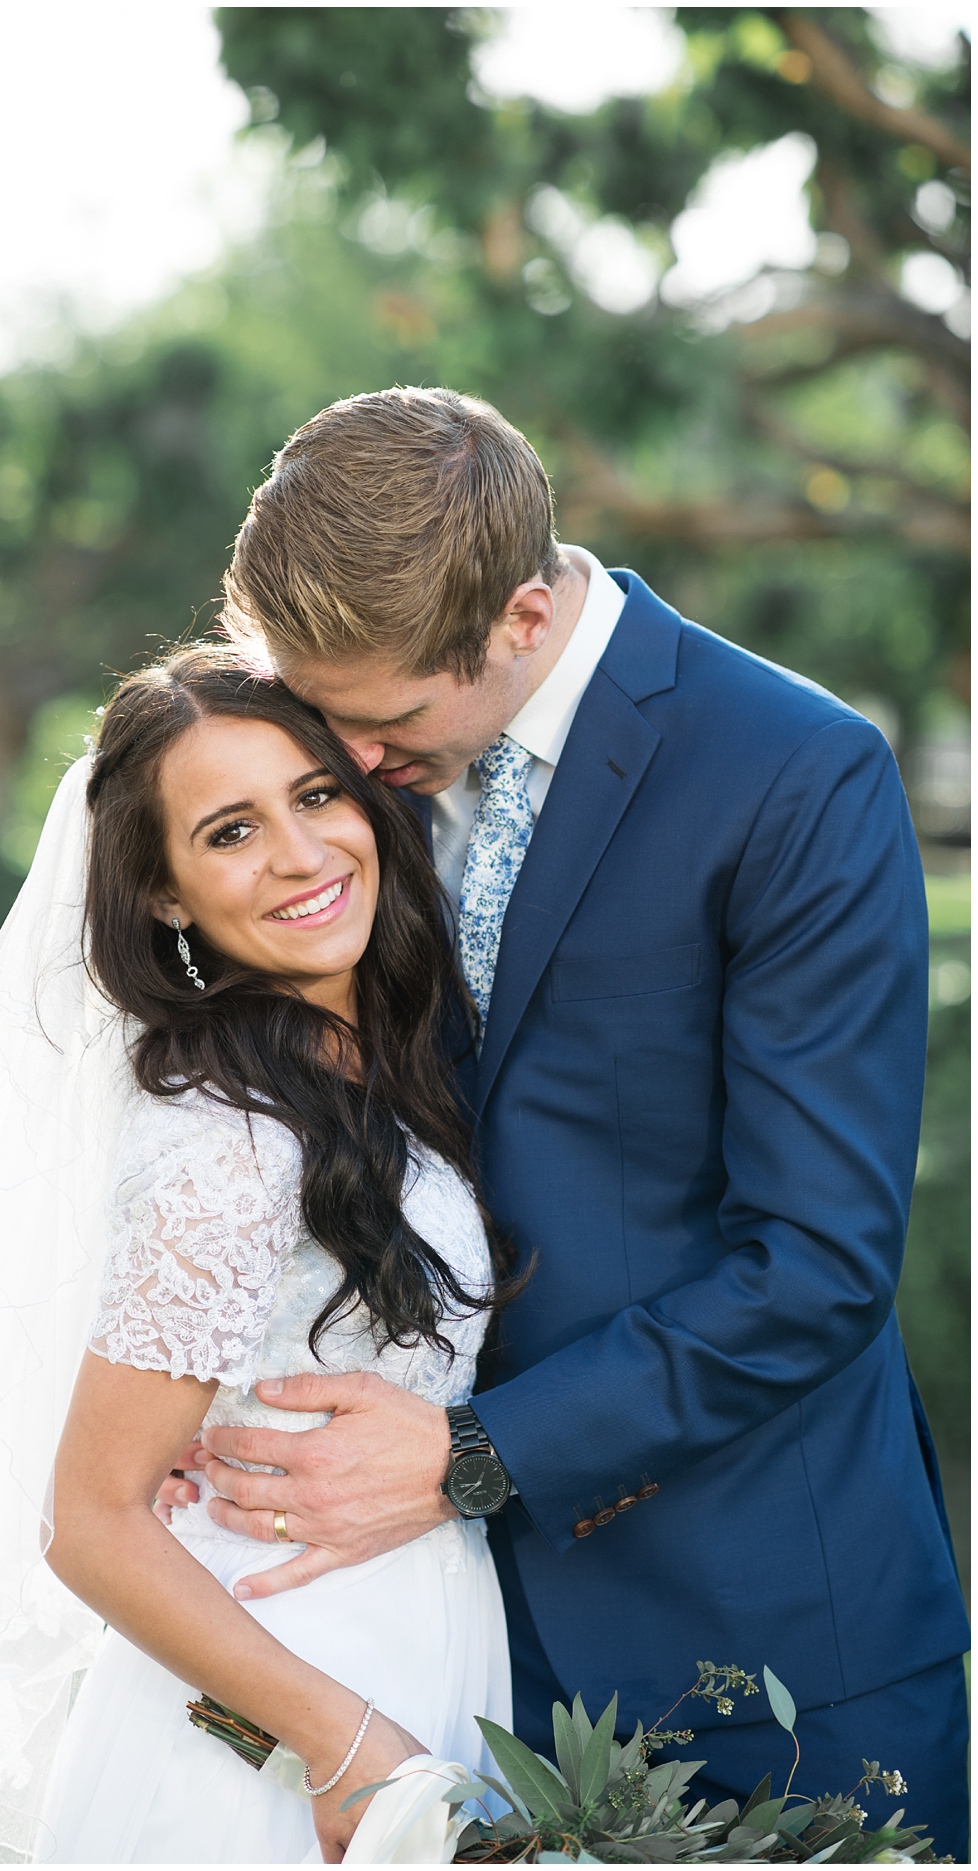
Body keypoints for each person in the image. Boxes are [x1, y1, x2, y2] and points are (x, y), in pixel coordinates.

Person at [164, 388, 966, 1855]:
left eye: (387, 718)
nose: (343, 755)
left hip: (761, 1630)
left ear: (523, 616)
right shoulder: (354, 764)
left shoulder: (795, 774)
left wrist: (478, 1452)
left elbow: (819, 1260)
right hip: (440, 1636)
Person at [0, 644, 518, 1863]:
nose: (299, 851)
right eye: (229, 831)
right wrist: (342, 1747)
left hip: (411, 1624)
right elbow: (92, 1517)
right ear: (166, 894)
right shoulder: (227, 1140)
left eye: (315, 793)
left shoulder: (372, 1063)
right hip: (290, 1702)